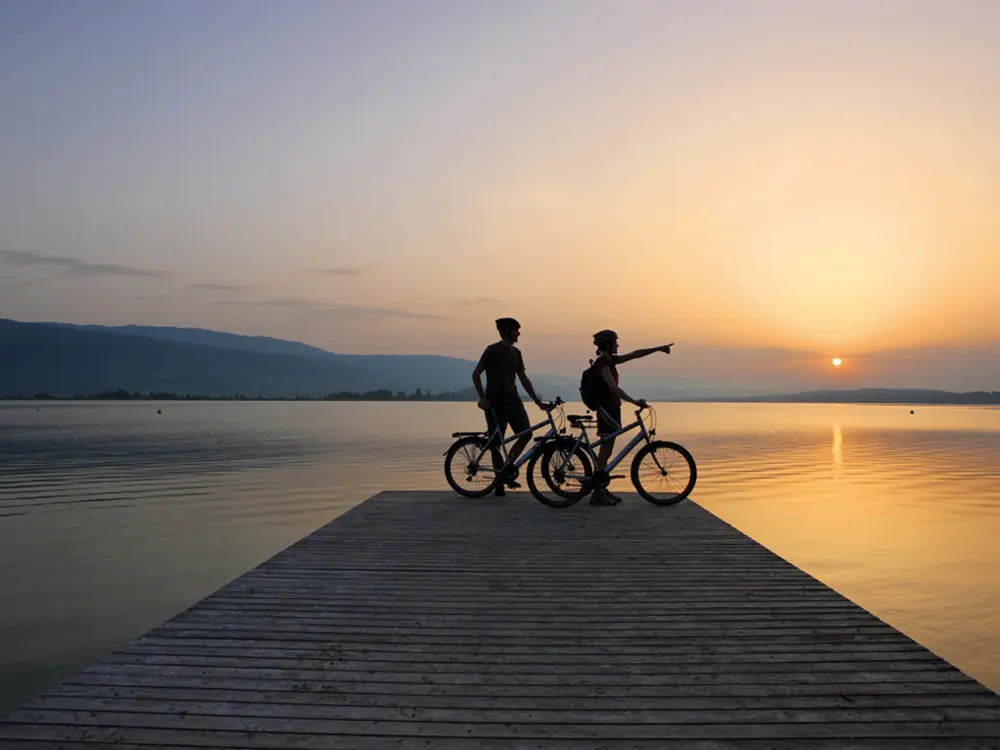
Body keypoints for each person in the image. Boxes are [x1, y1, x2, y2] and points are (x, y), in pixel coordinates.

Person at [588, 330, 672, 505]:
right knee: (605, 451)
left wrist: (658, 349)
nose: (618, 346)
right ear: (608, 345)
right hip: (606, 410)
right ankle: (598, 492)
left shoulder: (612, 361)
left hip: (612, 409)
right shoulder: (603, 364)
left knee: (607, 450)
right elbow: (613, 388)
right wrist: (634, 401)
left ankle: (601, 487)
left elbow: (635, 355)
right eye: (615, 343)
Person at [472, 317, 546, 496]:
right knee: (496, 442)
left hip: (514, 401)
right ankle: (498, 483)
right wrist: (482, 398)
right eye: (516, 330)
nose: (519, 333)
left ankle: (508, 465)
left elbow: (523, 378)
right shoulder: (492, 350)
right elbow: (476, 374)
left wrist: (537, 400)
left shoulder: (516, 353)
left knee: (526, 433)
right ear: (507, 331)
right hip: (495, 402)